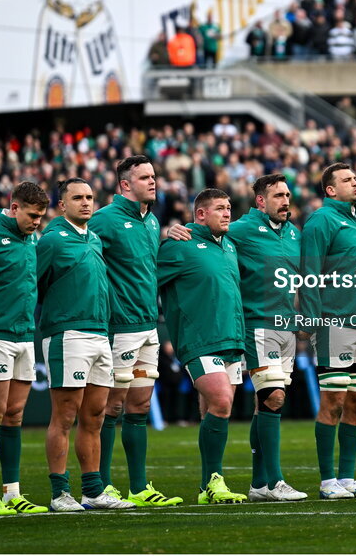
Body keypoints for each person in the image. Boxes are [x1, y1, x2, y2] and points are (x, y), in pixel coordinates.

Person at [36, 178, 132, 512]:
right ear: (62, 205)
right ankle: (60, 493)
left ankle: (92, 491)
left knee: (95, 416)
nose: (86, 203)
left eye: (90, 197)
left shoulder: (94, 238)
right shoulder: (51, 239)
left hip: (99, 333)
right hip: (67, 334)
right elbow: (34, 283)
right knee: (64, 415)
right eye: (78, 198)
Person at [91, 156, 182, 507]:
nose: (153, 181)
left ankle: (140, 487)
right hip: (119, 327)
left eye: (154, 176)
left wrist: (167, 235)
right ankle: (102, 484)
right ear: (125, 184)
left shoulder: (151, 221)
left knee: (139, 405)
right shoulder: (104, 220)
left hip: (148, 326)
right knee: (110, 406)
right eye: (144, 177)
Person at [157, 188, 247, 504]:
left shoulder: (230, 247)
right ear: (200, 214)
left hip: (232, 339)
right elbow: (145, 276)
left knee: (216, 408)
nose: (227, 213)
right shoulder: (179, 245)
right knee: (221, 401)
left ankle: (207, 487)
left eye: (229, 207)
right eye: (220, 208)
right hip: (199, 340)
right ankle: (214, 480)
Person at [300, 162, 356, 499]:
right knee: (333, 400)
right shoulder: (322, 220)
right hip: (334, 321)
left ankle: (348, 478)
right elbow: (309, 272)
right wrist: (311, 319)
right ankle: (327, 481)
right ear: (330, 190)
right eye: (347, 179)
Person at [0, 182, 50, 516]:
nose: (36, 223)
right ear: (14, 207)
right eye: (32, 215)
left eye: (41, 217)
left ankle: (12, 493)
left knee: (15, 415)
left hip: (24, 335)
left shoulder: (31, 238)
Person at [229, 174, 307, 501]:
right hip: (257, 324)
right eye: (278, 195)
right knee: (273, 397)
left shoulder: (294, 234)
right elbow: (202, 234)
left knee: (266, 405)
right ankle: (275, 482)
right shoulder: (243, 228)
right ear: (261, 200)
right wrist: (180, 230)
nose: (285, 201)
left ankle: (258, 485)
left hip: (286, 325)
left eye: (287, 195)